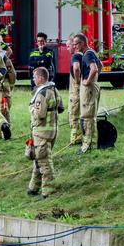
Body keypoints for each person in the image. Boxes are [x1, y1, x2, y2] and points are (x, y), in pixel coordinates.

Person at [27, 67, 63, 198]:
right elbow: (61, 107)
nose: (33, 79)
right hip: (52, 131)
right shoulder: (54, 89)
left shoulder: (41, 93)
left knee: (44, 162)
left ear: (41, 78)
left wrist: (31, 108)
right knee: (38, 160)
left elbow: (40, 114)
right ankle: (33, 188)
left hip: (41, 133)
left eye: (35, 77)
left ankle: (48, 191)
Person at [72, 33, 102, 154]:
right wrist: (95, 79)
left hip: (88, 88)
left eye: (76, 44)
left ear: (83, 43)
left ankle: (88, 145)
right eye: (73, 44)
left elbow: (94, 69)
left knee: (87, 117)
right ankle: (91, 143)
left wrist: (87, 81)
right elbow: (101, 66)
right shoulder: (92, 52)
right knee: (89, 116)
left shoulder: (87, 54)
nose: (74, 46)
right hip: (93, 87)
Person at [68, 36, 83, 146]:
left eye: (69, 46)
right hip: (81, 90)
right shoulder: (83, 55)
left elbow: (76, 68)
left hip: (76, 92)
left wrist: (77, 81)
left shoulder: (76, 56)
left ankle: (75, 138)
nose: (68, 48)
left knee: (73, 115)